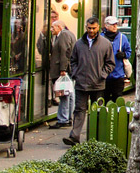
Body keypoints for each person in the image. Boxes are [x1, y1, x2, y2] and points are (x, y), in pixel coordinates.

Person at [64, 16, 114, 146]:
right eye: (89, 28)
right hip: (81, 83)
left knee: (97, 110)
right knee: (79, 109)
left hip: (98, 84)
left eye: (93, 28)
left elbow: (110, 63)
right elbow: (73, 60)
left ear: (98, 27)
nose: (91, 30)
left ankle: (96, 136)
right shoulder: (79, 44)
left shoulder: (105, 43)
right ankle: (74, 136)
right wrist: (75, 74)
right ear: (86, 27)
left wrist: (102, 75)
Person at [47, 14, 76, 129]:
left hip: (64, 70)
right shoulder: (68, 34)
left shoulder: (63, 35)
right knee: (69, 94)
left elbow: (65, 52)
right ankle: (68, 117)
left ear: (59, 27)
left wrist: (63, 69)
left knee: (64, 94)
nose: (51, 30)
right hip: (68, 69)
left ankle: (63, 119)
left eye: (53, 28)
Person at [102, 16, 132, 102]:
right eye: (112, 25)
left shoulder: (123, 38)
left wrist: (124, 54)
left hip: (118, 75)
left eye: (116, 24)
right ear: (106, 26)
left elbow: (129, 52)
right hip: (104, 75)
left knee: (118, 99)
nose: (115, 26)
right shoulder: (101, 38)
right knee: (104, 99)